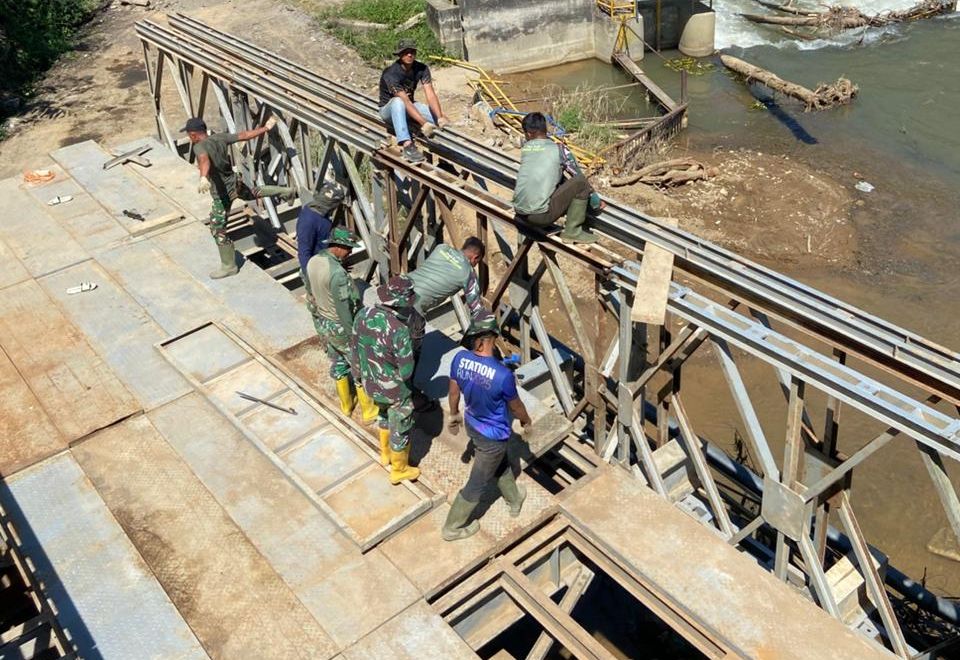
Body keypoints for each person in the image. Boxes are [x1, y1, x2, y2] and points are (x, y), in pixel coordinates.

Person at [442, 312, 532, 541]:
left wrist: (454, 415)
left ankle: (514, 498)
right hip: (493, 435)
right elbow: (516, 406)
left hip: (472, 424)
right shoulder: (503, 375)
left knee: (499, 463)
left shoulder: (460, 359)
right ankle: (452, 528)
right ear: (492, 338)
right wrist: (525, 421)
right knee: (477, 483)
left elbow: (453, 392)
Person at [185, 116, 297, 279]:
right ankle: (286, 192)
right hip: (235, 183)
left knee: (217, 229)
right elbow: (244, 135)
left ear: (194, 135)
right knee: (253, 192)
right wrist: (265, 128)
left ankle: (229, 266)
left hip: (223, 194)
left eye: (189, 135)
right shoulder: (220, 137)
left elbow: (204, 160)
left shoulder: (199, 147)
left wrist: (203, 176)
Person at [304, 227, 378, 424]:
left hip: (324, 324)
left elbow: (310, 293)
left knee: (338, 363)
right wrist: (354, 334)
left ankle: (346, 405)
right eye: (349, 248)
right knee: (359, 367)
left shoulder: (313, 262)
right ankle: (369, 411)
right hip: (340, 326)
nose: (350, 253)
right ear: (338, 246)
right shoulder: (338, 275)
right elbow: (344, 309)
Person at [352, 275, 420, 484]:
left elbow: (354, 350)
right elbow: (407, 370)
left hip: (370, 383)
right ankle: (399, 470)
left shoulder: (363, 315)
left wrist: (359, 376)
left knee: (382, 415)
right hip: (394, 390)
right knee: (401, 427)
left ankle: (385, 455)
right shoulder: (398, 330)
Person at [511, 112, 601, 244]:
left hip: (519, 211)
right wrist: (594, 199)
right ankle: (573, 232)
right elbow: (577, 175)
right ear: (545, 129)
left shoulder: (526, 148)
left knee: (558, 178)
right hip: (540, 217)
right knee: (581, 182)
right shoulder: (560, 149)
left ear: (529, 134)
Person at [379, 39, 449, 164]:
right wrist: (423, 123)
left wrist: (439, 117)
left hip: (409, 107)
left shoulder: (421, 69)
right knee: (398, 101)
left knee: (442, 120)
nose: (410, 55)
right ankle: (407, 145)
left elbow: (430, 94)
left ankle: (446, 159)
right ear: (400, 55)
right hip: (389, 110)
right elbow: (404, 101)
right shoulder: (391, 73)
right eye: (406, 52)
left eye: (412, 52)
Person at [408, 237, 486, 322]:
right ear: (475, 257)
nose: (475, 265)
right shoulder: (469, 273)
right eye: (477, 262)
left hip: (397, 287)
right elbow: (476, 309)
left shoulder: (441, 248)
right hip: (411, 307)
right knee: (414, 331)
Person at [297, 181, 347, 275]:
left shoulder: (321, 213)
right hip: (318, 270)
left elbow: (327, 233)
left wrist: (349, 236)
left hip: (326, 261)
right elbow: (304, 252)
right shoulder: (308, 222)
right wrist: (311, 278)